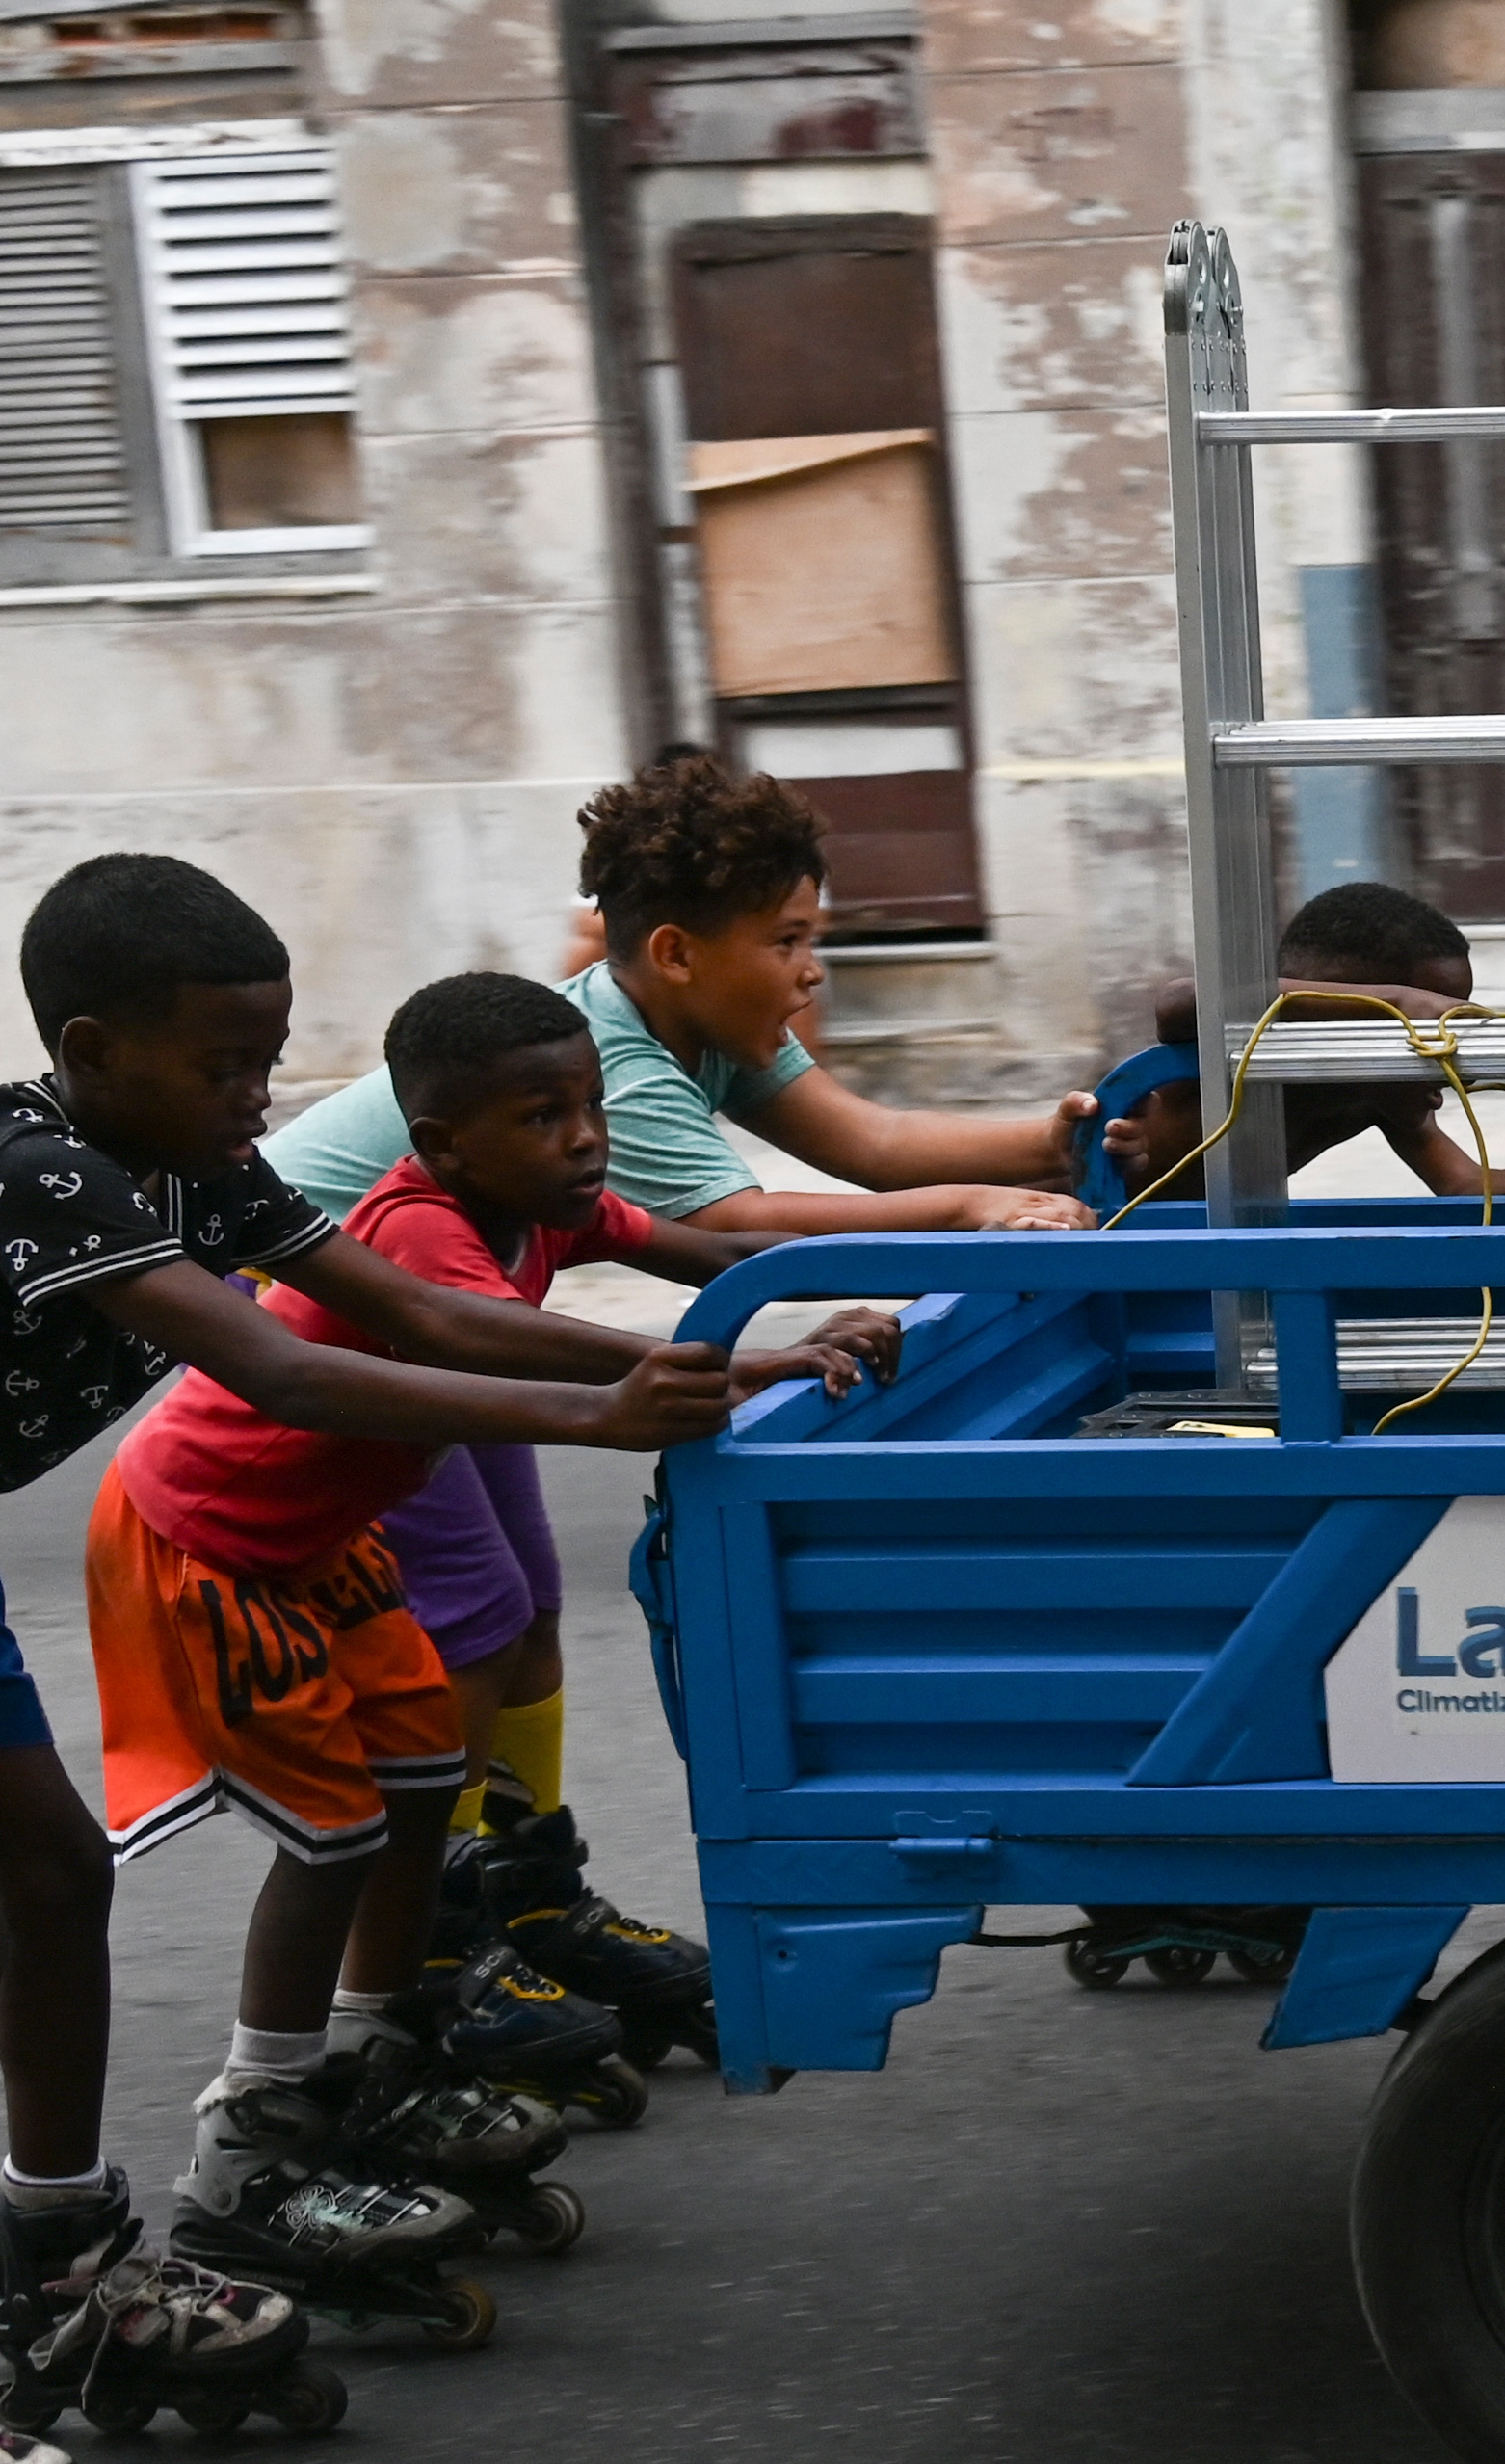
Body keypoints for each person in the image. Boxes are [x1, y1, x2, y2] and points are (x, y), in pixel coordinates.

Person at [0, 856, 761, 2464]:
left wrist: (733, 1364)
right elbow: (280, 1369)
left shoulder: (195, 1162)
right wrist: (600, 1422)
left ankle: (62, 2266)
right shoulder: (44, 1179)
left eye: (269, 1061)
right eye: (223, 1065)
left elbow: (417, 1308)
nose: (254, 1101)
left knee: (58, 1877)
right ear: (91, 1043)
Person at [103, 973, 883, 2310]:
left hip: (325, 1546)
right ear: (441, 1142)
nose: (583, 1138)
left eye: (588, 1107)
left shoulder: (544, 1205)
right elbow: (482, 1337)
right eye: (542, 1116)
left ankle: (378, 2055)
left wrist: (862, 1291)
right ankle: (249, 2146)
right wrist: (748, 1370)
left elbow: (703, 1254)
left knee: (418, 1794)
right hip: (210, 1542)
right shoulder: (419, 1226)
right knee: (333, 1829)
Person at [270, 755, 1086, 1847]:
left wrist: (1053, 1147)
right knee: (470, 1612)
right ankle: (440, 1913)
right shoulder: (611, 1062)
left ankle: (524, 1875)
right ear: (677, 953)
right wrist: (976, 1210)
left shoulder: (700, 1030)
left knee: (531, 1601)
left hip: (463, 1312)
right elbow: (738, 1231)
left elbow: (873, 1142)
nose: (812, 972)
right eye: (787, 941)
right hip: (335, 1319)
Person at [1119, 880, 1495, 1203]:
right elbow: (1180, 1002)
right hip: (1083, 1218)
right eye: (1423, 1038)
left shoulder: (1369, 1094)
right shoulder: (1249, 1052)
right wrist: (1395, 1003)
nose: (1440, 1085)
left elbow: (1464, 1184)